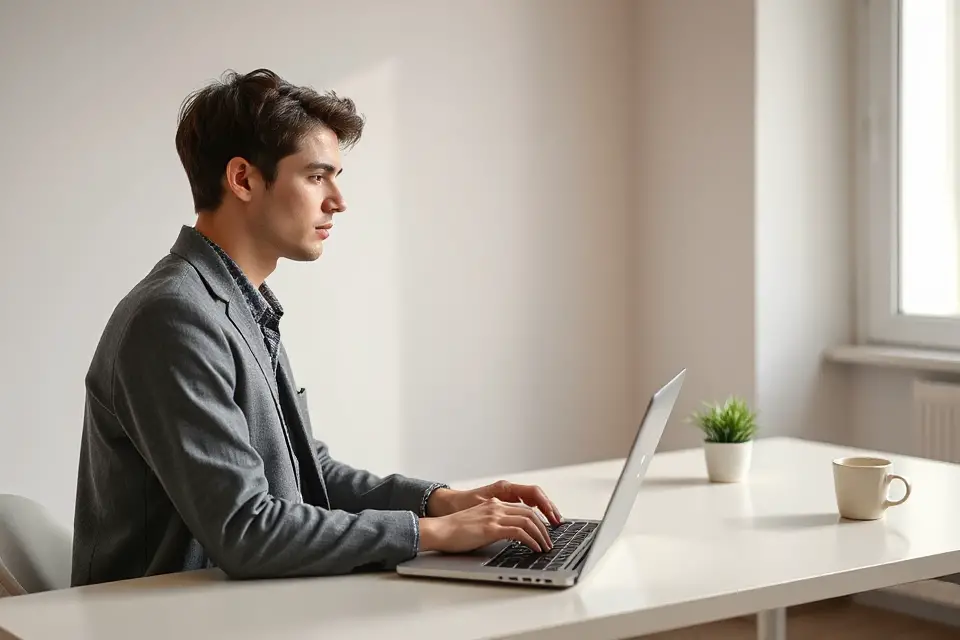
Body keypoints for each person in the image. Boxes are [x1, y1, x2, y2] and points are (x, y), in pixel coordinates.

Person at [71, 68, 563, 587]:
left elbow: (306, 475)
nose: (338, 200)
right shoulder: (174, 318)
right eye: (315, 176)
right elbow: (247, 530)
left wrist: (442, 502)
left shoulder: (241, 301)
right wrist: (429, 534)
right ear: (242, 179)